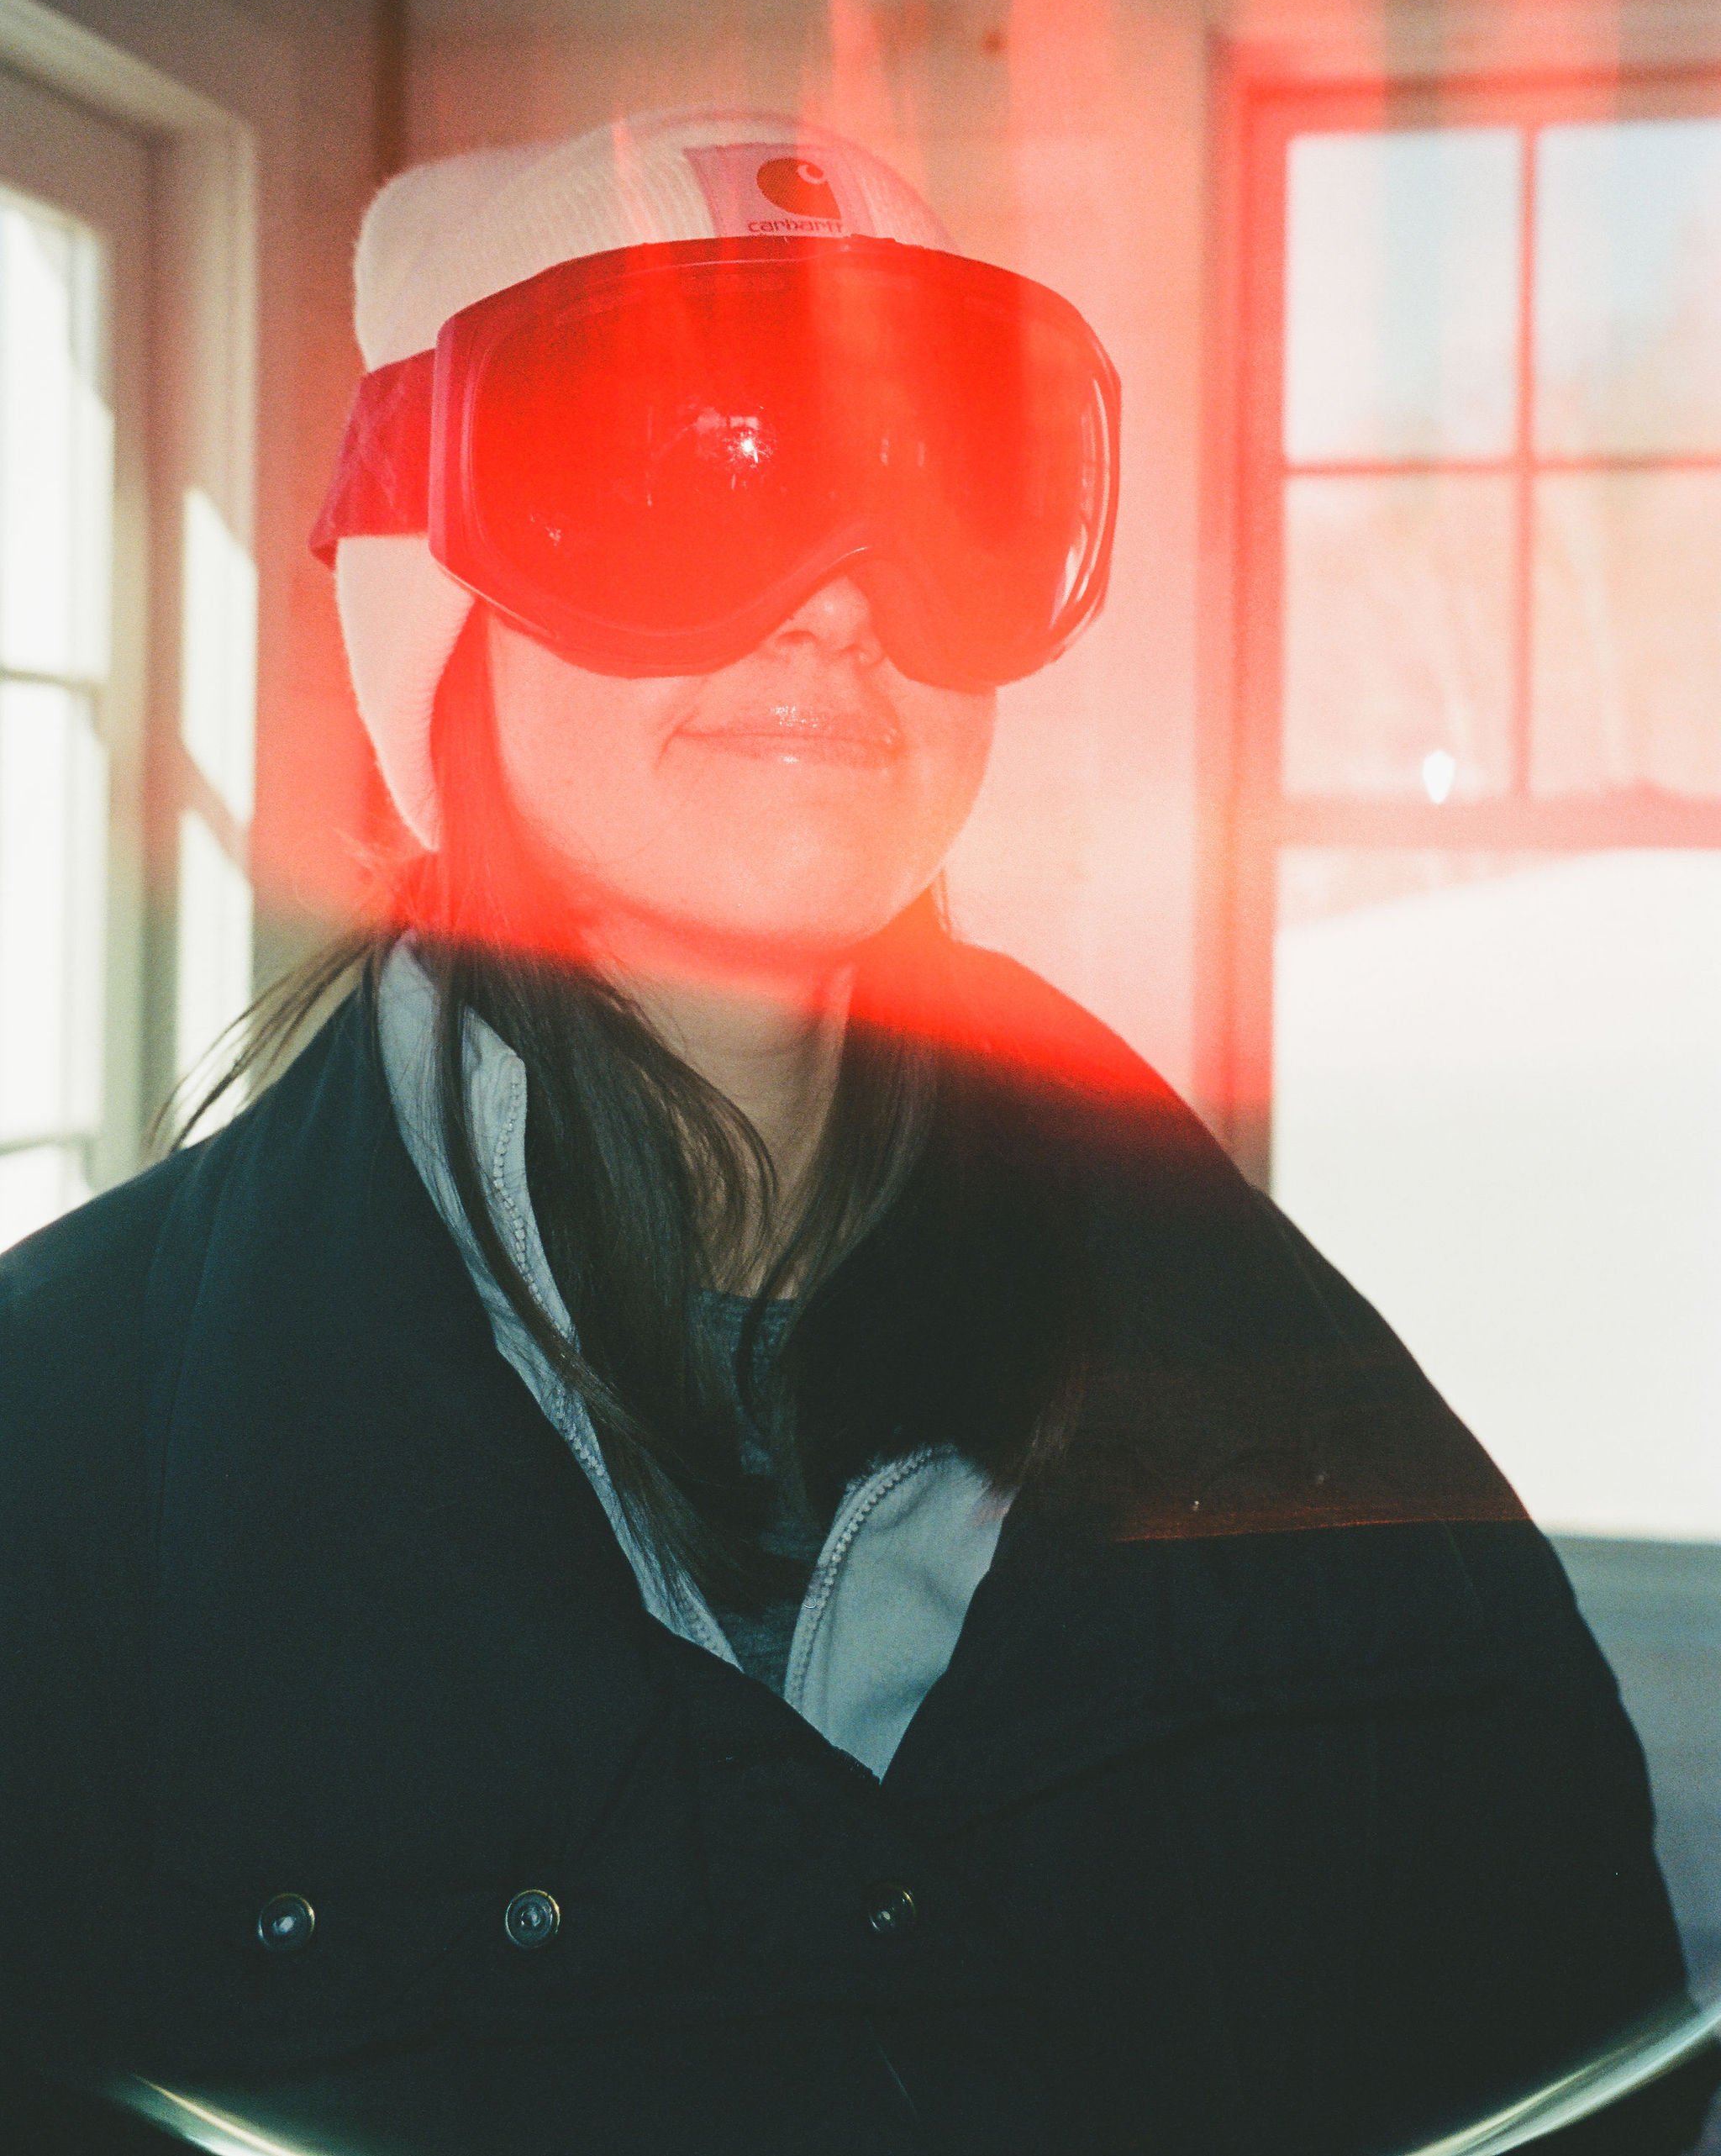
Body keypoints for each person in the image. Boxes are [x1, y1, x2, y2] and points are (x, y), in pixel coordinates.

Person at [0, 108, 1713, 2156]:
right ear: (429, 601)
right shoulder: (71, 1460)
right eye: (676, 480)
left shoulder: (1298, 1420)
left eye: (944, 489)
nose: (833, 599)